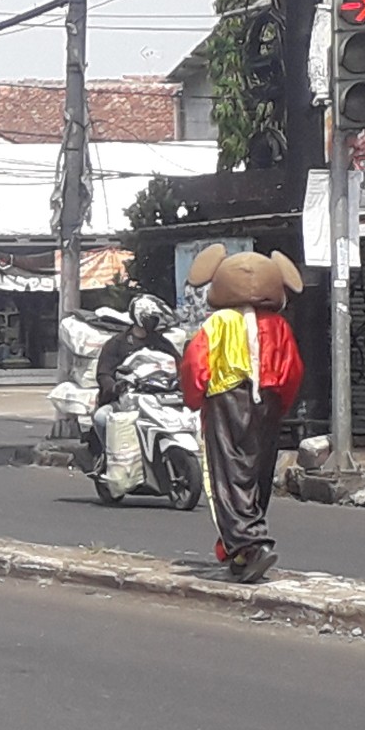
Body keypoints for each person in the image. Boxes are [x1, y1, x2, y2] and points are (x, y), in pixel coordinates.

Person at [180, 245, 305, 584]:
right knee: (258, 471)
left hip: (225, 401)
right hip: (268, 404)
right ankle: (243, 545)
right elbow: (293, 370)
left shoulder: (218, 322)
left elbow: (196, 363)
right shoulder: (277, 326)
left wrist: (194, 399)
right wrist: (281, 407)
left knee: (228, 473)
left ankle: (250, 543)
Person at [90, 294, 179, 466]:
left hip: (159, 399)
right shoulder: (117, 343)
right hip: (124, 399)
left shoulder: (162, 343)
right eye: (153, 319)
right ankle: (107, 459)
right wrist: (115, 387)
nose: (157, 323)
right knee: (102, 418)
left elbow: (179, 364)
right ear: (141, 317)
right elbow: (103, 374)